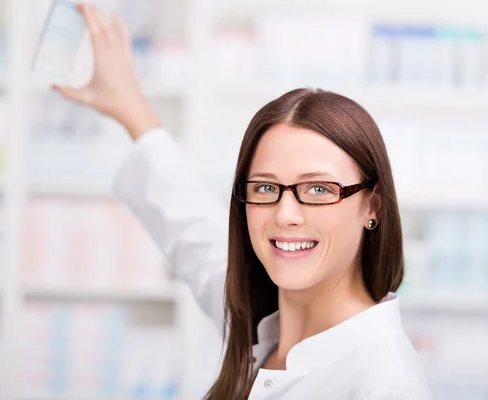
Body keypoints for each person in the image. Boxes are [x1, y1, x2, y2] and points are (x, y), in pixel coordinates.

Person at [55, 3, 434, 399]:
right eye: (266, 189)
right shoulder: (259, 319)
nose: (286, 215)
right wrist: (130, 107)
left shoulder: (386, 384)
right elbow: (195, 236)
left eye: (319, 189)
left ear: (372, 206)